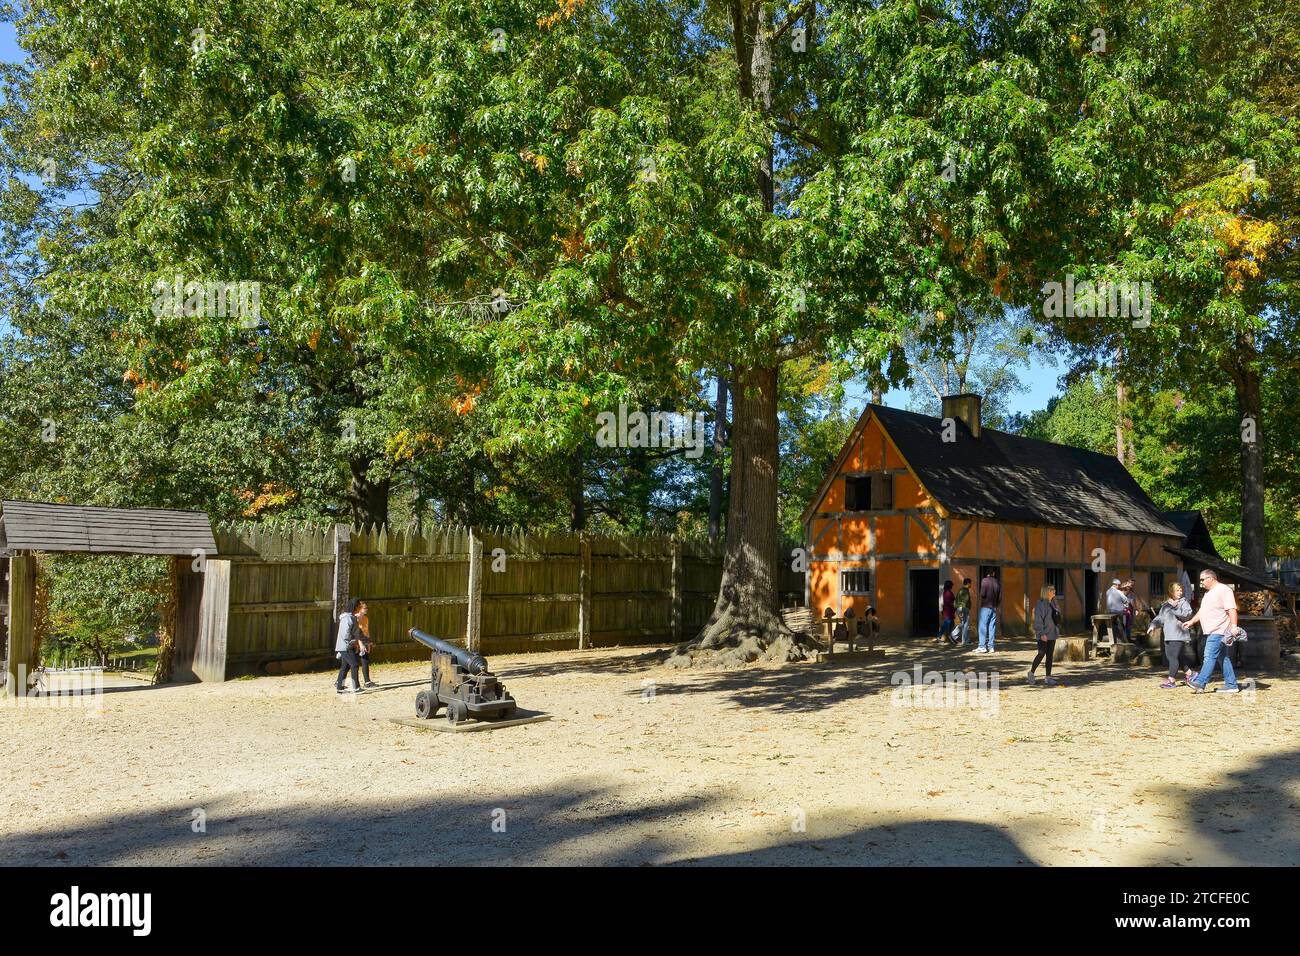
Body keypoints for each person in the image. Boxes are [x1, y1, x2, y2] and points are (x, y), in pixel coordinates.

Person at [1183, 569, 1239, 694]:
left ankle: (1200, 682)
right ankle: (1231, 685)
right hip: (1213, 630)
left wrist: (1234, 626)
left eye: (1203, 579)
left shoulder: (1224, 590)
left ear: (1211, 578)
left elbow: (1232, 609)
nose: (1201, 582)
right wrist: (1192, 621)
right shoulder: (1208, 593)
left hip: (1220, 630)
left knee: (1209, 656)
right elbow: (1202, 611)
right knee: (1223, 658)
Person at [1148, 581, 1194, 689]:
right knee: (1173, 657)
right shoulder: (1166, 605)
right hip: (1168, 635)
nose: (1180, 592)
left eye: (1181, 590)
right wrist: (1153, 625)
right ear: (1171, 592)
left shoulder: (1184, 603)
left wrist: (1175, 608)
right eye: (1177, 590)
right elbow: (1160, 618)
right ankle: (1190, 674)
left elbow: (1186, 616)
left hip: (1178, 635)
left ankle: (1171, 680)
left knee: (1173, 657)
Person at [1027, 584, 1062, 686]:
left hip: (1052, 633)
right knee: (1041, 653)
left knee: (1050, 655)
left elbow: (1057, 616)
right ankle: (1031, 673)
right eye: (1052, 590)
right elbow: (1038, 620)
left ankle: (1048, 677)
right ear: (1046, 592)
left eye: (1054, 589)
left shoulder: (1054, 602)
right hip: (1043, 634)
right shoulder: (1041, 604)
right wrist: (1041, 633)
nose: (1054, 591)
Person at [334, 598, 367, 694]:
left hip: (347, 646)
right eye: (359, 606)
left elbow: (356, 633)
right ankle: (356, 688)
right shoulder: (347, 619)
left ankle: (340, 687)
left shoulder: (351, 618)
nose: (360, 608)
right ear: (355, 607)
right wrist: (352, 642)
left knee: (345, 666)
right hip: (346, 646)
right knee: (354, 665)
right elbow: (346, 635)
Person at [977, 569, 1000, 653]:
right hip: (994, 607)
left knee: (982, 626)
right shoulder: (997, 582)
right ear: (993, 573)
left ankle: (982, 646)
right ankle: (991, 647)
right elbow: (999, 596)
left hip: (985, 606)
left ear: (987, 574)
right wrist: (996, 604)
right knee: (992, 627)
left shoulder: (984, 581)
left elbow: (982, 594)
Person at [355, 602, 377, 688]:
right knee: (350, 663)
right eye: (365, 608)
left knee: (365, 661)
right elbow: (356, 633)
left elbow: (367, 632)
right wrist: (360, 644)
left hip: (364, 641)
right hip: (356, 642)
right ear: (359, 608)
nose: (366, 609)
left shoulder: (366, 618)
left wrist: (368, 643)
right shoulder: (355, 618)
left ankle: (367, 681)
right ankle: (339, 681)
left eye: (367, 608)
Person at [955, 578, 973, 646]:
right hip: (964, 608)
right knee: (966, 625)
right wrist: (962, 610)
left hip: (961, 608)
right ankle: (964, 641)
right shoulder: (965, 590)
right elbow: (964, 601)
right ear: (968, 583)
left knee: (964, 624)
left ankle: (966, 640)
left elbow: (957, 601)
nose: (971, 585)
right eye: (970, 583)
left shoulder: (961, 590)